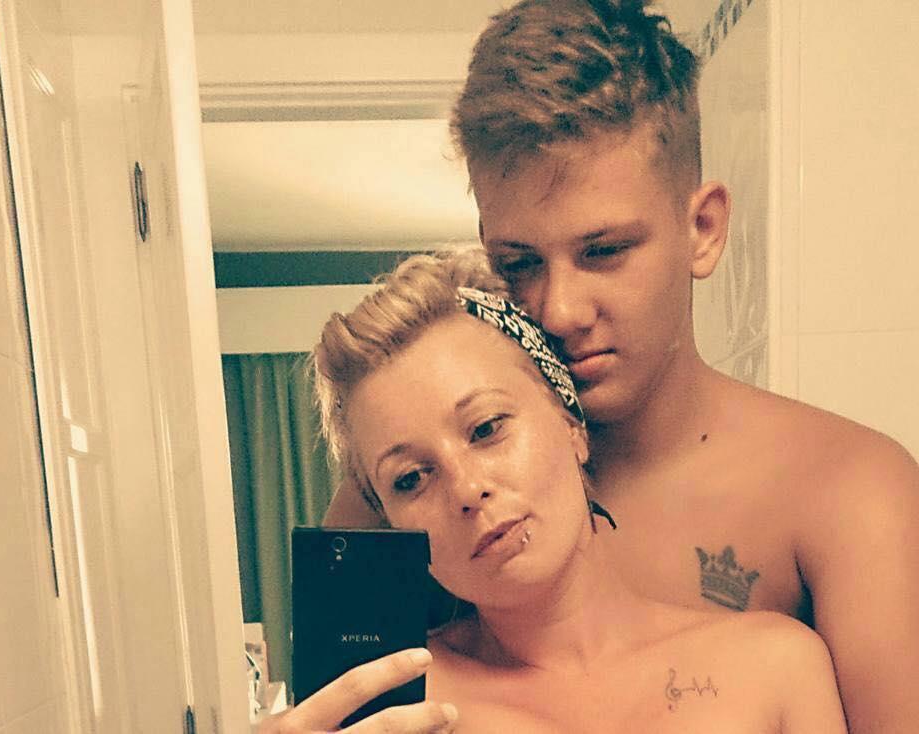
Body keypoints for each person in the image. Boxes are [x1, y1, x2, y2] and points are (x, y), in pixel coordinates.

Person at [324, 1, 919, 732]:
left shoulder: (847, 493)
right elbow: (338, 710)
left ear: (702, 229)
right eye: (519, 262)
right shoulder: (392, 505)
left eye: (603, 251)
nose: (559, 309)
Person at [265, 251, 846, 733]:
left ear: (571, 426)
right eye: (411, 478)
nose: (467, 489)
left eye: (487, 429)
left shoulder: (773, 668)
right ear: (390, 519)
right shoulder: (391, 705)